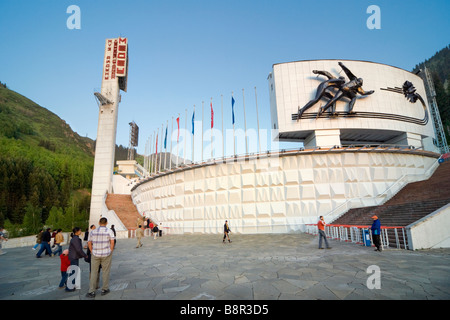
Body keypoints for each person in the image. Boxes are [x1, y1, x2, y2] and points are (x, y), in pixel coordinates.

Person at [86, 217, 115, 298]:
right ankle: (104, 289)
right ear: (106, 223)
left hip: (95, 254)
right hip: (106, 254)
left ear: (99, 222)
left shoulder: (93, 232)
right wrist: (110, 250)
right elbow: (112, 242)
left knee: (94, 272)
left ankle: (92, 291)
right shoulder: (109, 231)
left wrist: (92, 251)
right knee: (105, 271)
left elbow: (89, 242)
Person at [66, 227, 88, 292]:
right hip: (74, 257)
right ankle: (70, 287)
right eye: (80, 230)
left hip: (73, 256)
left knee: (74, 271)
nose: (81, 231)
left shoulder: (75, 238)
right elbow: (78, 249)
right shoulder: (76, 239)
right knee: (74, 272)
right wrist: (85, 255)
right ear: (77, 231)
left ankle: (70, 286)